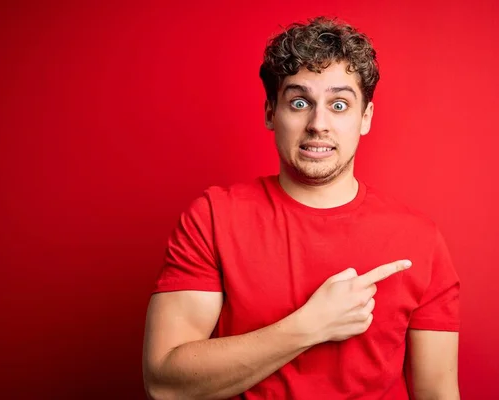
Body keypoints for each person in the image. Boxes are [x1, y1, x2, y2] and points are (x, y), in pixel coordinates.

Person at [142, 16, 460, 400]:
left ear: (366, 118)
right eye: (299, 102)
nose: (318, 124)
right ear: (270, 113)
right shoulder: (212, 217)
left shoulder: (419, 241)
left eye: (339, 104)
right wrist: (310, 326)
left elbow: (437, 392)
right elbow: (164, 384)